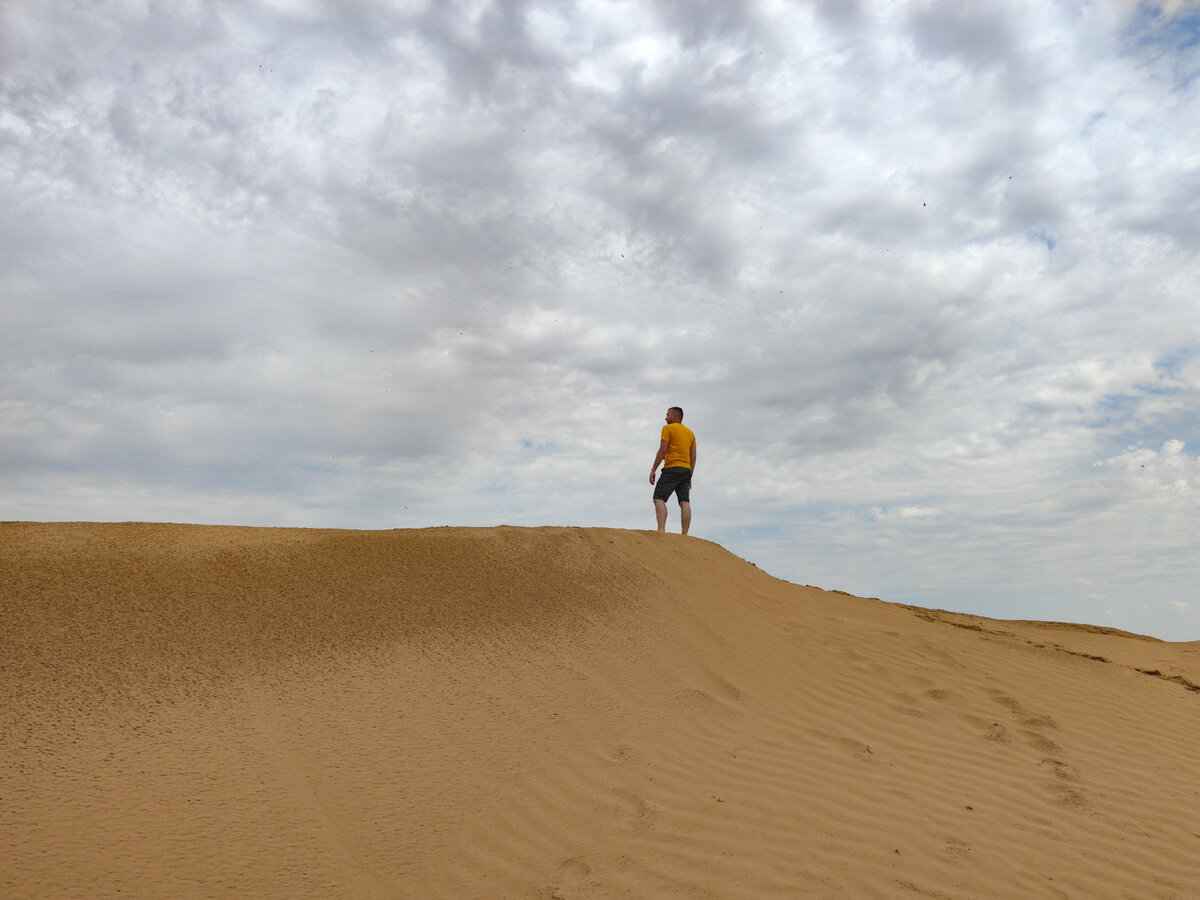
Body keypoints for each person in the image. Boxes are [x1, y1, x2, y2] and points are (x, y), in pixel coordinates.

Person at [649, 406, 696, 534]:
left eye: (667, 415)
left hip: (672, 468)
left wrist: (653, 469)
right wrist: (690, 475)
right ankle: (685, 534)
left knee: (658, 498)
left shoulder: (667, 428)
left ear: (675, 416)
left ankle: (661, 530)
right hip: (686, 471)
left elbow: (662, 450)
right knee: (684, 502)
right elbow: (693, 457)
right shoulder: (690, 433)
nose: (665, 418)